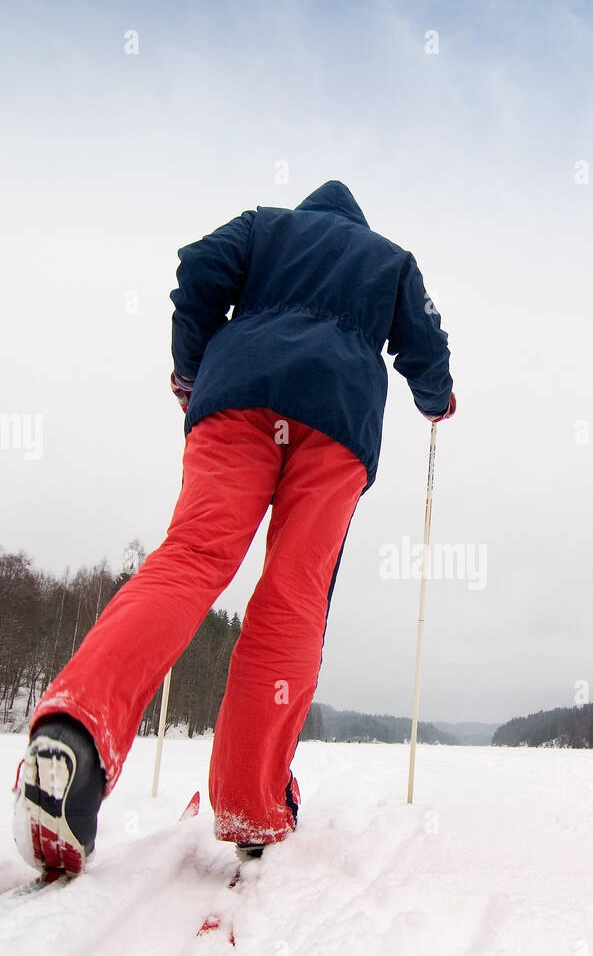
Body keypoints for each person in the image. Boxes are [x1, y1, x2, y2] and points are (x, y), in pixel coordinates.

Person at [12, 181, 455, 874]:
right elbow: (426, 344)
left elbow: (197, 269)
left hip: (237, 398)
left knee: (189, 558)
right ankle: (254, 799)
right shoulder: (390, 262)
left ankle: (77, 731)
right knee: (293, 598)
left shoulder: (262, 228)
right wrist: (438, 396)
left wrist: (192, 370)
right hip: (336, 423)